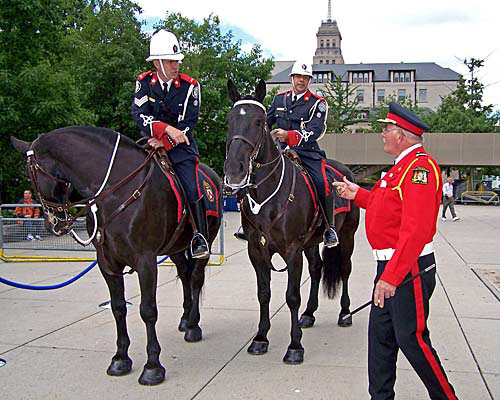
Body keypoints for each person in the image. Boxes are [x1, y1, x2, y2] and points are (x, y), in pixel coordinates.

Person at [334, 102, 458, 399]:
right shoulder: (400, 168)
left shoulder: (420, 169)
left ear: (401, 135)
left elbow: (414, 231)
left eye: (386, 129)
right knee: (381, 340)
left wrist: (391, 277)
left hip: (408, 268)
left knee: (412, 340)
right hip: (390, 269)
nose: (382, 134)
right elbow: (388, 207)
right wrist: (358, 194)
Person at [131, 29, 208, 259]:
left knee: (192, 187)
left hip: (180, 150)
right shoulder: (144, 83)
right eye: (170, 61)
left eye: (177, 61)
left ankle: (198, 236)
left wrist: (164, 139)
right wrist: (164, 129)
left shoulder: (190, 86)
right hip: (149, 145)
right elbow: (139, 115)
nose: (176, 65)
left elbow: (188, 124)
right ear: (157, 62)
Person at [266, 60, 338, 247]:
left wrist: (289, 136)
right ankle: (249, 223)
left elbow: (316, 130)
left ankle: (329, 228)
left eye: (305, 78)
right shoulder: (279, 99)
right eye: (298, 77)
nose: (301, 81)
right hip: (279, 152)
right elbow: (266, 122)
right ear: (292, 78)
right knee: (254, 175)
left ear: (309, 80)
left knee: (323, 183)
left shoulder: (318, 103)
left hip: (306, 153)